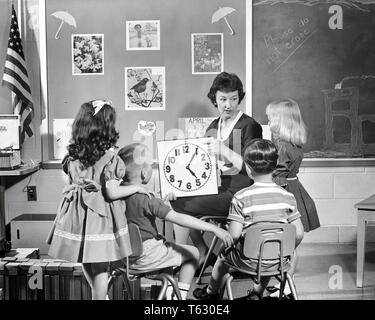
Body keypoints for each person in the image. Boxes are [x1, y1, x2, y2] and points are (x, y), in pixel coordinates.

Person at [47, 100, 152, 300]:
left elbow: (74, 180)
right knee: (102, 264)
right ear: (106, 128)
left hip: (76, 215)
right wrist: (137, 187)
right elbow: (111, 193)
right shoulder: (111, 159)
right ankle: (99, 297)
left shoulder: (73, 156)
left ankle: (99, 296)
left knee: (85, 258)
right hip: (99, 216)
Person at [170, 72, 263, 270]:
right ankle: (202, 251)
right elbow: (203, 166)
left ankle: (184, 255)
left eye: (233, 99)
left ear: (240, 98)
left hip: (239, 194)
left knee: (179, 206)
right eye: (222, 99)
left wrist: (225, 150)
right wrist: (177, 182)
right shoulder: (214, 125)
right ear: (215, 99)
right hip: (216, 188)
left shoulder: (250, 126)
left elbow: (253, 170)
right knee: (175, 198)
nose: (228, 105)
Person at [117, 143, 233, 300]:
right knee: (193, 253)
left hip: (122, 257)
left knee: (169, 250)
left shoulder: (114, 195)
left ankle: (170, 288)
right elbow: (179, 218)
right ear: (144, 173)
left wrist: (161, 203)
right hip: (147, 256)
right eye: (151, 165)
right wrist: (214, 229)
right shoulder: (148, 199)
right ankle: (180, 296)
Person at [193, 139, 304, 300]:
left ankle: (211, 292)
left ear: (249, 169)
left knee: (224, 255)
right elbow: (299, 233)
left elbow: (235, 235)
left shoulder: (241, 197)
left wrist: (225, 230)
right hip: (278, 260)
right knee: (271, 246)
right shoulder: (287, 196)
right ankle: (257, 292)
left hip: (248, 261)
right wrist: (286, 249)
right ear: (275, 167)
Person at [265, 99, 320, 232]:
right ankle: (290, 251)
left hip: (283, 188)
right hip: (293, 186)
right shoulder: (294, 144)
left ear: (281, 122)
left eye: (271, 119)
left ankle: (286, 251)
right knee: (293, 228)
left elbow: (278, 174)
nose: (268, 123)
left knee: (283, 227)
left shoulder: (282, 146)